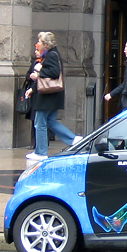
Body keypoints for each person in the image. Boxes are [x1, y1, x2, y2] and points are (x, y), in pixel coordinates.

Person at [26, 32, 80, 160]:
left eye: (39, 42)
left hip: (47, 96)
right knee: (50, 121)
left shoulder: (51, 55)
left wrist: (39, 71)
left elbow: (54, 72)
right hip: (52, 96)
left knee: (40, 123)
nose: (37, 44)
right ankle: (73, 139)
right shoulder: (52, 54)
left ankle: (41, 152)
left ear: (45, 44)